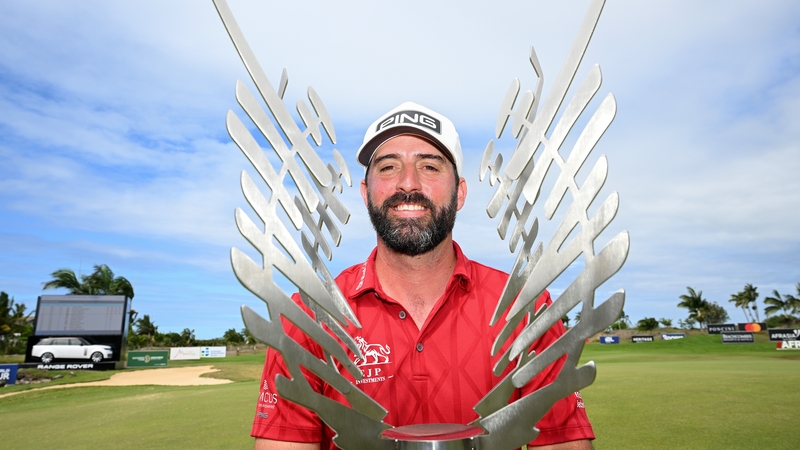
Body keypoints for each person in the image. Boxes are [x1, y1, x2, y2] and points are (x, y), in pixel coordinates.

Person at [251, 102, 595, 449]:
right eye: (388, 167)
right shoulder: (308, 315)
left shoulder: (527, 308)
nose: (408, 183)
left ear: (459, 192)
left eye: (429, 166)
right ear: (365, 192)